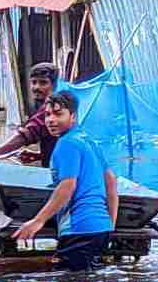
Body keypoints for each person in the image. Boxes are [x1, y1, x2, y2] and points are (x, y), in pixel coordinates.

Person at [11, 91, 118, 272]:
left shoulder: (67, 144)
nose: (51, 120)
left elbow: (67, 186)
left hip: (79, 227)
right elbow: (111, 183)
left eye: (58, 114)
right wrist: (109, 225)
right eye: (47, 115)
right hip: (100, 229)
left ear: (73, 116)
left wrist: (38, 220)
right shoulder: (88, 140)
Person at [0, 62, 60, 166]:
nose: (36, 87)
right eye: (34, 82)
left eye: (43, 83)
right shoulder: (58, 102)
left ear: (55, 84)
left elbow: (27, 134)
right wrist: (39, 155)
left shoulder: (55, 106)